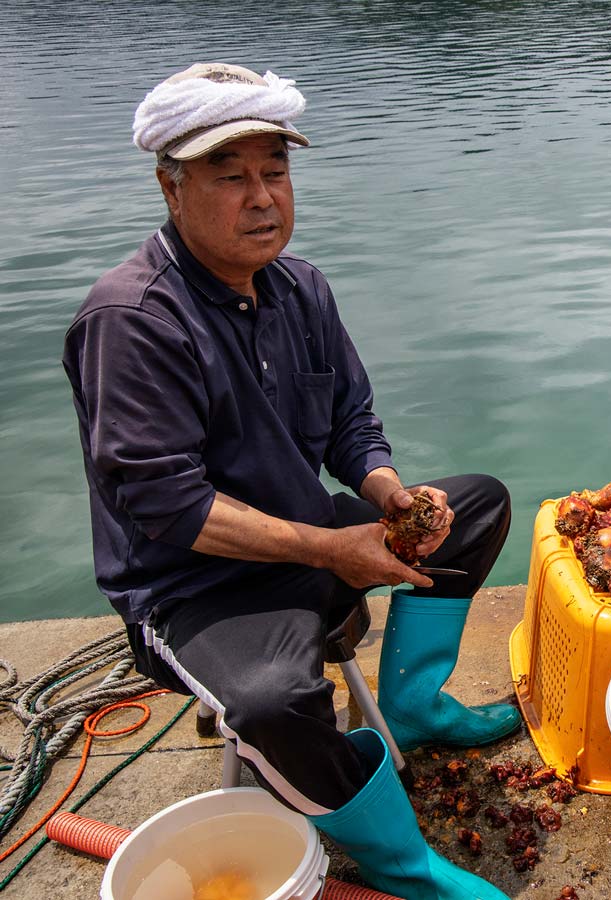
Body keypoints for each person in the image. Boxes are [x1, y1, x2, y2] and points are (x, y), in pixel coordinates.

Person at [62, 63, 516, 900]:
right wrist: (334, 548)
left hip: (310, 536)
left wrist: (390, 497)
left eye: (275, 171)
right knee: (275, 702)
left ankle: (413, 708)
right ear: (170, 188)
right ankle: (403, 867)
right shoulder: (130, 319)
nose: (262, 197)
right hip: (194, 587)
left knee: (478, 503)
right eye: (230, 177)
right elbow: (165, 504)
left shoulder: (301, 287)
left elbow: (351, 425)